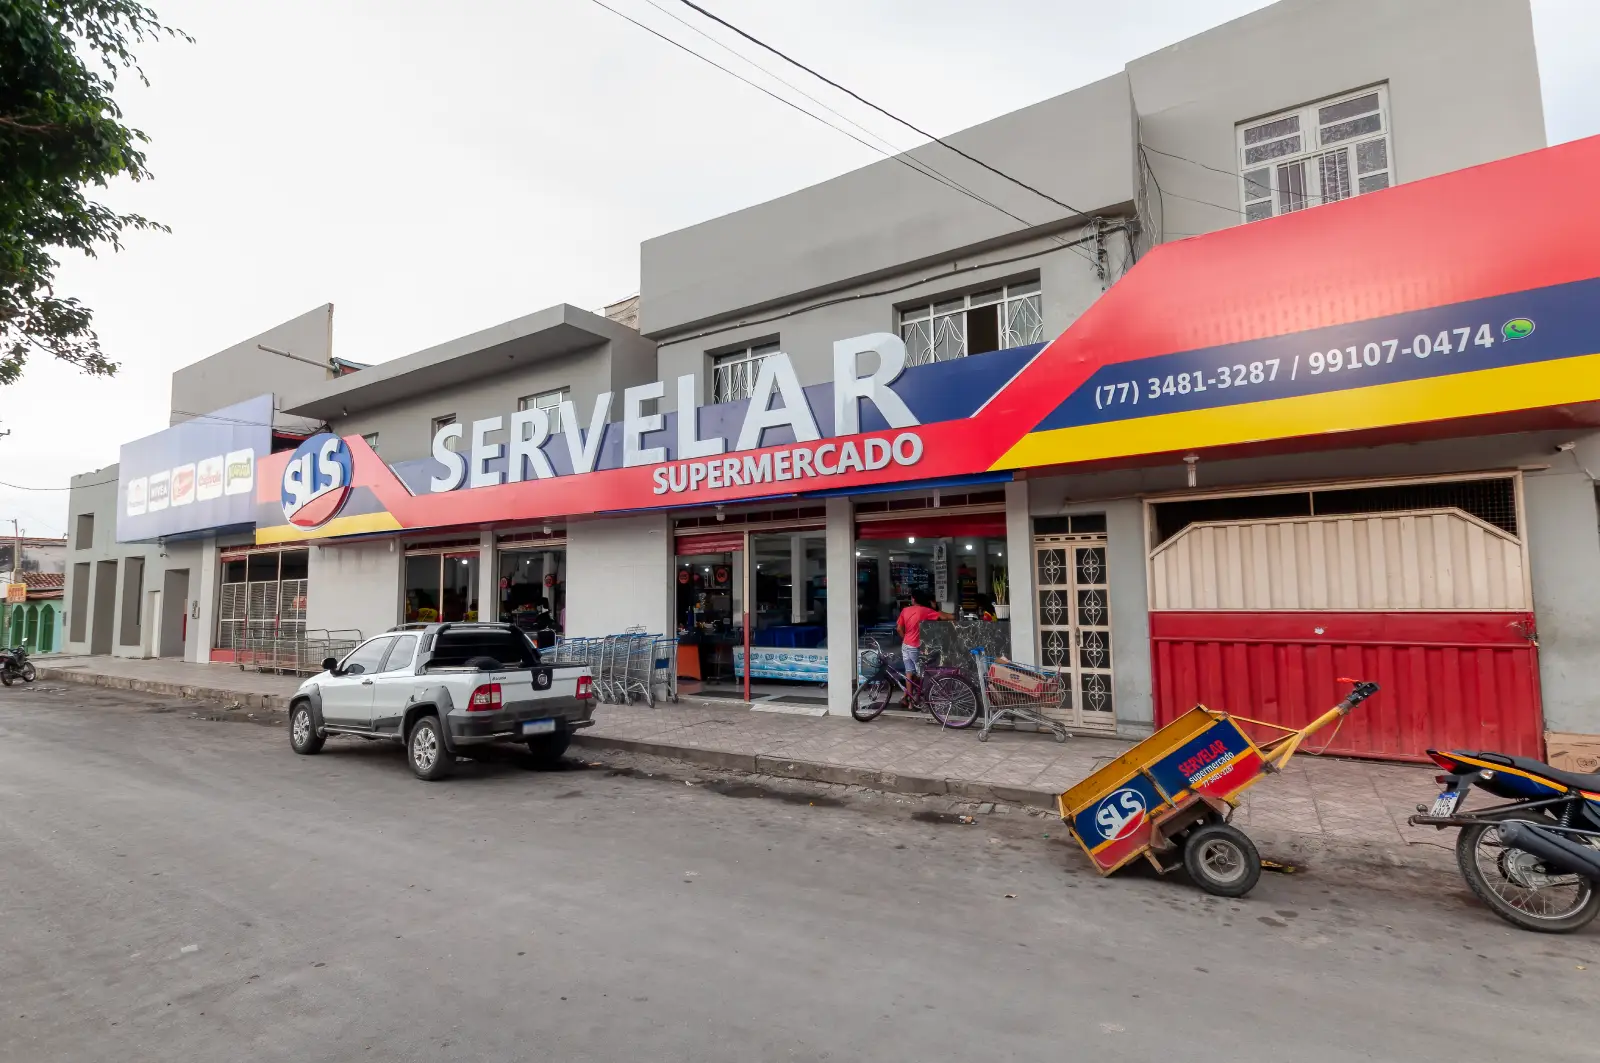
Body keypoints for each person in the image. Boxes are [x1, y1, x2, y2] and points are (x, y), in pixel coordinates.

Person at [895, 589, 950, 678]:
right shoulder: (926, 610)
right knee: (921, 672)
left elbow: (899, 629)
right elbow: (943, 617)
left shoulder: (905, 610)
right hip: (915, 645)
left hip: (905, 645)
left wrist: (905, 638)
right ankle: (924, 690)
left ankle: (909, 692)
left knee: (909, 671)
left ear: (913, 599)